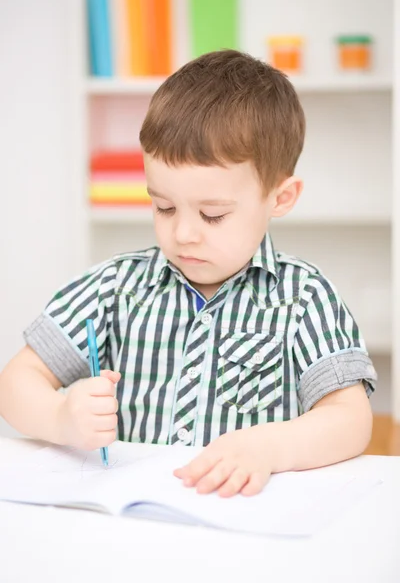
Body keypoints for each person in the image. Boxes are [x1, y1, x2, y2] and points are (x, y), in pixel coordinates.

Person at [0, 50, 377, 498]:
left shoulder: (303, 297)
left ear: (281, 198)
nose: (182, 233)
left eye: (212, 214)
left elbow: (351, 420)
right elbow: (16, 382)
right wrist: (59, 418)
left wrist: (269, 447)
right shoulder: (114, 287)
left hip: (246, 524)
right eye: (163, 206)